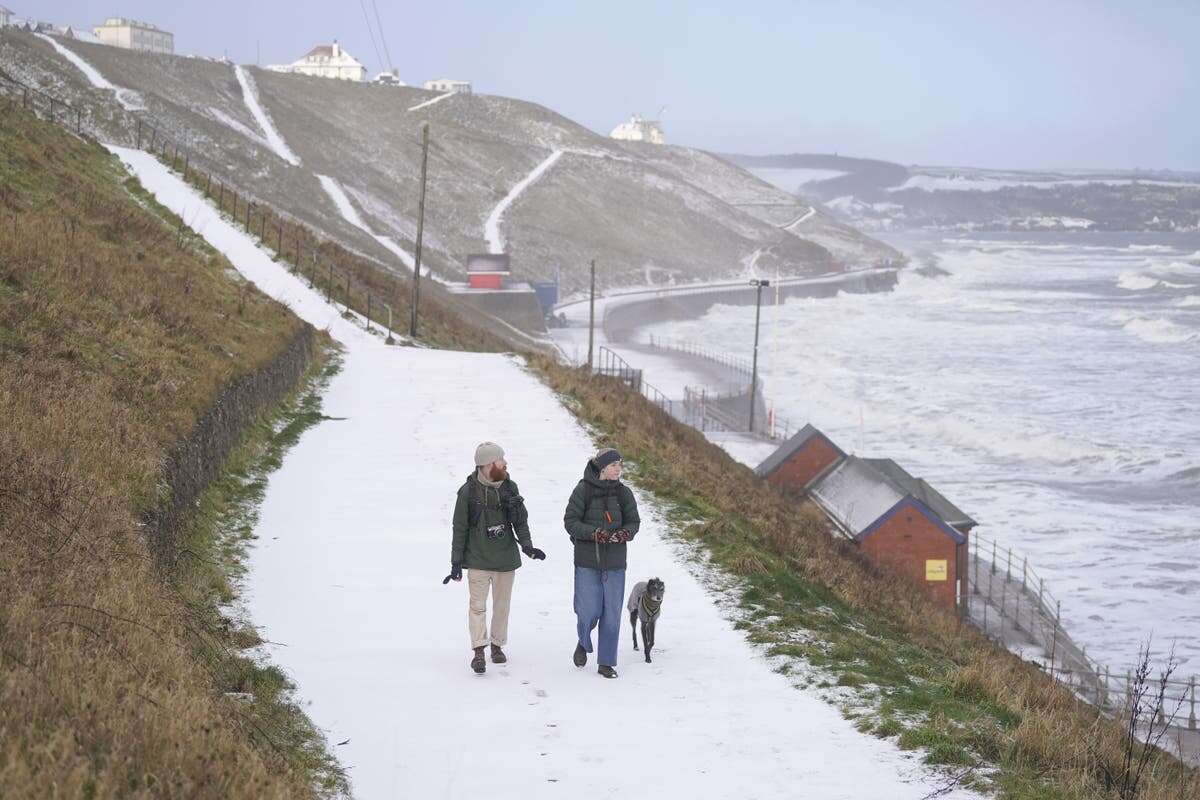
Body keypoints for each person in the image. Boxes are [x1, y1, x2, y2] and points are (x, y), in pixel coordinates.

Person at [445, 442, 545, 674]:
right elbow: (459, 528)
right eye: (501, 460)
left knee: (502, 607)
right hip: (478, 559)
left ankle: (497, 646)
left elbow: (520, 521)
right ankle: (479, 651)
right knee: (477, 607)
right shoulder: (467, 492)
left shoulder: (510, 487)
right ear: (489, 464)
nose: (505, 463)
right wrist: (456, 562)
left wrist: (528, 547)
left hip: (505, 560)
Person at [563, 447, 640, 679]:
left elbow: (634, 522)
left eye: (620, 465)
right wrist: (595, 533)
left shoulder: (624, 493)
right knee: (588, 610)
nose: (619, 469)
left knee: (612, 614)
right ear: (602, 467)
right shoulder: (583, 490)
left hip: (616, 562)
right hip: (587, 561)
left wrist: (624, 534)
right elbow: (570, 521)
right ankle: (583, 641)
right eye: (614, 465)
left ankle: (606, 662)